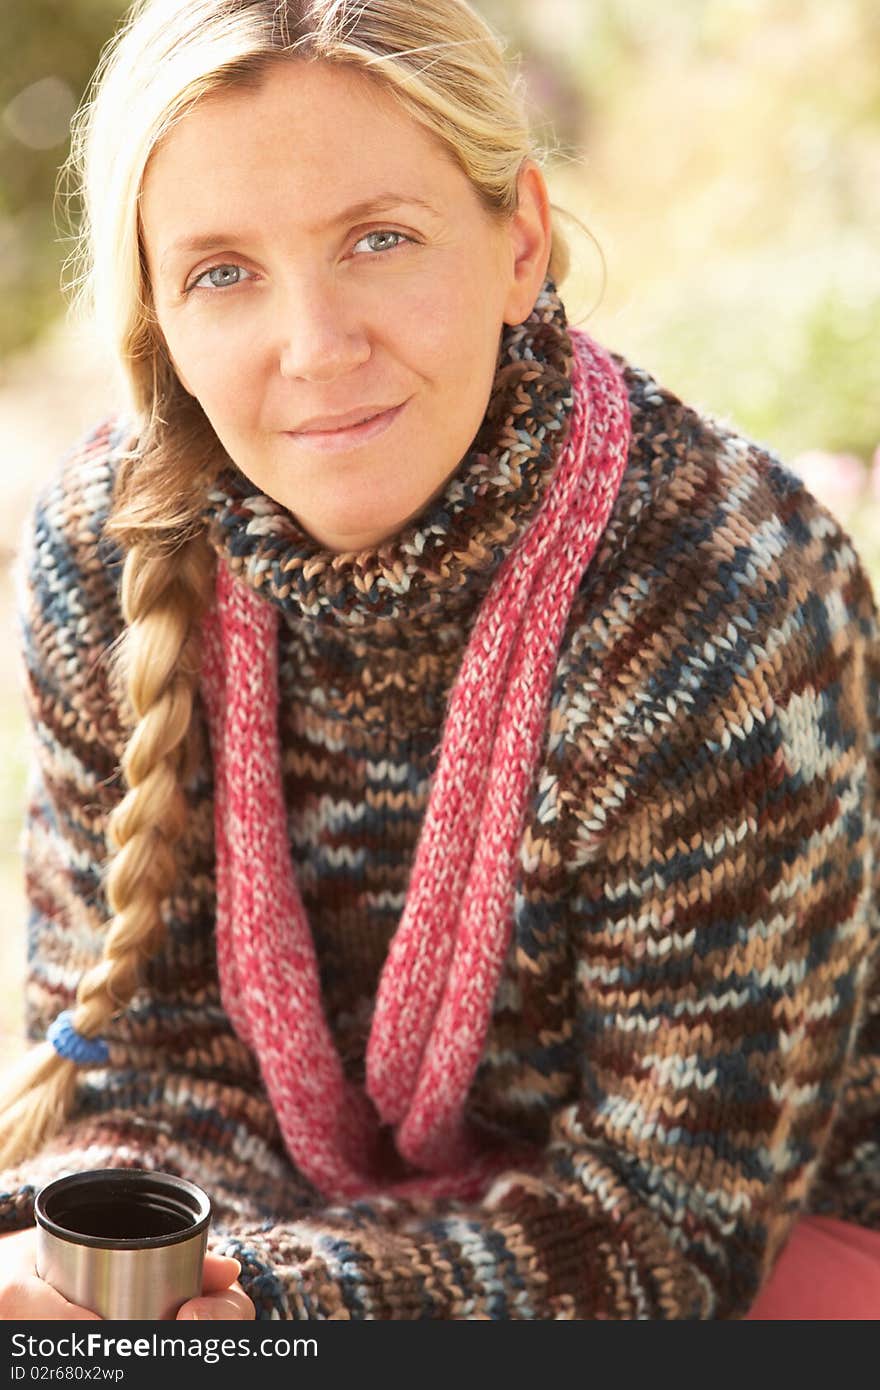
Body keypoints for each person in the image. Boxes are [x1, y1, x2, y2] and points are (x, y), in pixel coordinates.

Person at [0, 0, 878, 1322]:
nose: (316, 345)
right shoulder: (109, 553)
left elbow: (672, 1220)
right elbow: (152, 1070)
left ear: (517, 240)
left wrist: (285, 1308)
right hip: (319, 1220)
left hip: (756, 1251)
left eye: (379, 239)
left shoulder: (725, 585)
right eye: (223, 271)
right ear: (159, 314)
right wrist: (119, 1277)